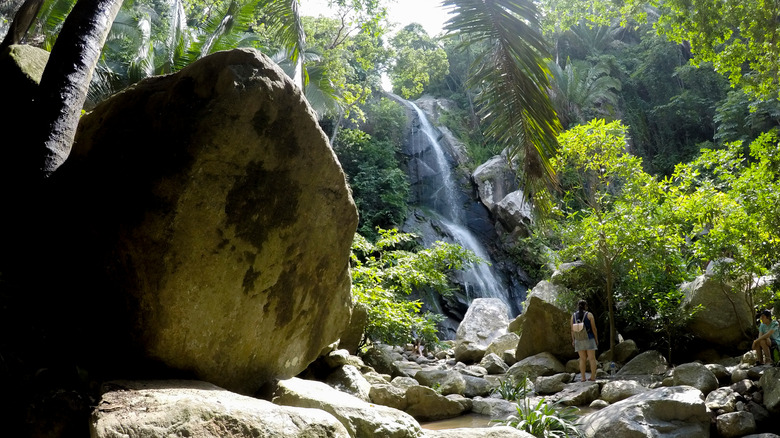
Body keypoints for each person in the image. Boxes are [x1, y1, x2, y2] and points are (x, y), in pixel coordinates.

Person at [571, 299, 599, 381]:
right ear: (585, 306)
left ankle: (583, 378)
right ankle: (593, 377)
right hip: (589, 338)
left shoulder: (573, 316)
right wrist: (596, 339)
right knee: (592, 359)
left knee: (582, 359)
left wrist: (573, 340)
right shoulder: (589, 315)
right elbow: (594, 328)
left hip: (578, 339)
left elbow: (572, 330)